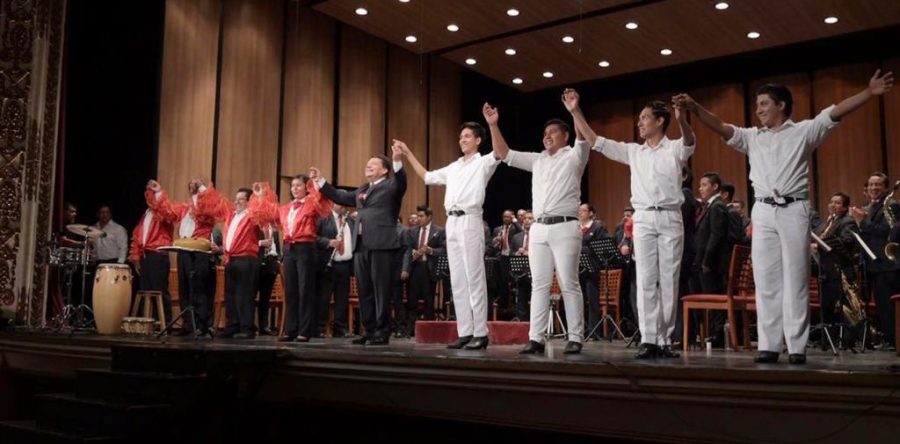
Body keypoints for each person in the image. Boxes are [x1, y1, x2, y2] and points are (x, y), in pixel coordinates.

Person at [676, 68, 894, 364]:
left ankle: (796, 347)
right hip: (763, 210)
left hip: (794, 208)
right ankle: (769, 344)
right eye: (757, 104)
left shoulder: (803, 131)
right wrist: (695, 108)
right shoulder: (752, 137)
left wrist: (868, 92)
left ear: (781, 105)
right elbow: (721, 126)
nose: (758, 109)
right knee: (765, 279)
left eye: (764, 103)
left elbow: (836, 112)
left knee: (796, 278)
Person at [571, 91, 696, 359]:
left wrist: (681, 118)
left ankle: (665, 340)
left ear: (660, 121)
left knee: (669, 279)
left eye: (645, 118)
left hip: (670, 216)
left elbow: (689, 140)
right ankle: (649, 338)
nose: (639, 123)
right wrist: (575, 111)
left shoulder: (674, 148)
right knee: (646, 279)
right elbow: (596, 141)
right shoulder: (634, 151)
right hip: (644, 217)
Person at [484, 89, 589, 355]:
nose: (547, 135)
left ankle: (575, 336)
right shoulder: (538, 159)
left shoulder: (575, 156)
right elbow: (504, 154)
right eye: (545, 132)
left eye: (553, 132)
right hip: (539, 228)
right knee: (539, 284)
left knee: (568, 282)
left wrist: (574, 110)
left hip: (565, 225)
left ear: (565, 136)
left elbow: (584, 137)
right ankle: (536, 338)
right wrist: (493, 125)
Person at [395, 121, 500, 350]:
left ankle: (480, 333)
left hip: (470, 219)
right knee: (458, 280)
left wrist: (492, 125)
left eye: (467, 136)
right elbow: (427, 176)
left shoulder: (483, 162)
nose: (462, 140)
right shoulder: (454, 166)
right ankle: (465, 332)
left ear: (478, 140)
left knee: (474, 277)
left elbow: (500, 151)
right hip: (451, 221)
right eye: (461, 136)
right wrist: (408, 153)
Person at [315, 146, 407, 345]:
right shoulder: (363, 189)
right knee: (364, 289)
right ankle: (369, 330)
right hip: (361, 245)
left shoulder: (391, 186)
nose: (368, 166)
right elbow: (340, 197)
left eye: (374, 164)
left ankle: (382, 331)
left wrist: (397, 161)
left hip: (381, 244)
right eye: (368, 164)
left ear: (385, 170)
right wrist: (321, 182)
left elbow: (401, 182)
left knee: (381, 290)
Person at [198, 183, 279, 339]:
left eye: (241, 199)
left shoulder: (253, 215)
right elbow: (217, 203)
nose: (236, 202)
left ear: (249, 202)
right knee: (231, 294)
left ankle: (247, 328)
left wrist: (259, 196)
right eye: (236, 199)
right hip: (232, 259)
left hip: (247, 259)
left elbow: (265, 212)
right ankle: (233, 325)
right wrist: (202, 189)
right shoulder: (232, 215)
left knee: (244, 295)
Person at [277, 172, 333, 342]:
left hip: (305, 247)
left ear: (306, 188)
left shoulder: (311, 204)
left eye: (298, 185)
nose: (295, 188)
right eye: (292, 186)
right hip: (289, 248)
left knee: (305, 289)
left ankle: (305, 330)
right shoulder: (286, 207)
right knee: (291, 290)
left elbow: (322, 199)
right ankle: (291, 330)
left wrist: (315, 182)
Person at [851, 173, 900, 350]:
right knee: (880, 305)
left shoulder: (891, 205)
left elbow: (886, 231)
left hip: (886, 263)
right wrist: (858, 223)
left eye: (878, 184)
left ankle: (894, 340)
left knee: (888, 305)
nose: (874, 188)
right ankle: (887, 338)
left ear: (886, 188)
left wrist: (862, 222)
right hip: (872, 263)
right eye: (871, 184)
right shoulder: (869, 207)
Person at [128, 180, 177, 323]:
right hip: (146, 255)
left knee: (159, 290)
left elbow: (169, 213)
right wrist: (136, 258)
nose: (151, 197)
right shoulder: (146, 214)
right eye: (149, 194)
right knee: (146, 290)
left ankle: (164, 323)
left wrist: (159, 191)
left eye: (153, 194)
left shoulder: (163, 212)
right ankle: (148, 323)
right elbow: (139, 236)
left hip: (158, 253)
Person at [399, 205, 446, 334]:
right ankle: (411, 330)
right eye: (418, 216)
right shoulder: (412, 231)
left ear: (429, 217)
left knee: (428, 300)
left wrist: (431, 251)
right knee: (412, 299)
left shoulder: (439, 231)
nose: (418, 219)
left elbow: (444, 249)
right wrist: (406, 267)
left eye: (421, 216)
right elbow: (407, 250)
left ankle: (429, 331)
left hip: (428, 269)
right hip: (414, 268)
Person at [315, 204, 355, 337]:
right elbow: (313, 237)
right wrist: (328, 242)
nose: (343, 205)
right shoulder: (323, 218)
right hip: (328, 264)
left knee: (342, 298)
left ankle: (340, 328)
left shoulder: (349, 220)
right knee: (324, 297)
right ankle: (320, 328)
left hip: (345, 264)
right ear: (332, 203)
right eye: (340, 202)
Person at [578, 203, 609, 340]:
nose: (580, 213)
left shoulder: (597, 227)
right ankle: (580, 330)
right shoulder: (576, 227)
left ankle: (593, 331)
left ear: (591, 213)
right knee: (579, 300)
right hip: (579, 268)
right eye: (579, 211)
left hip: (592, 268)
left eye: (583, 210)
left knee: (592, 300)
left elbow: (601, 247)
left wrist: (582, 249)